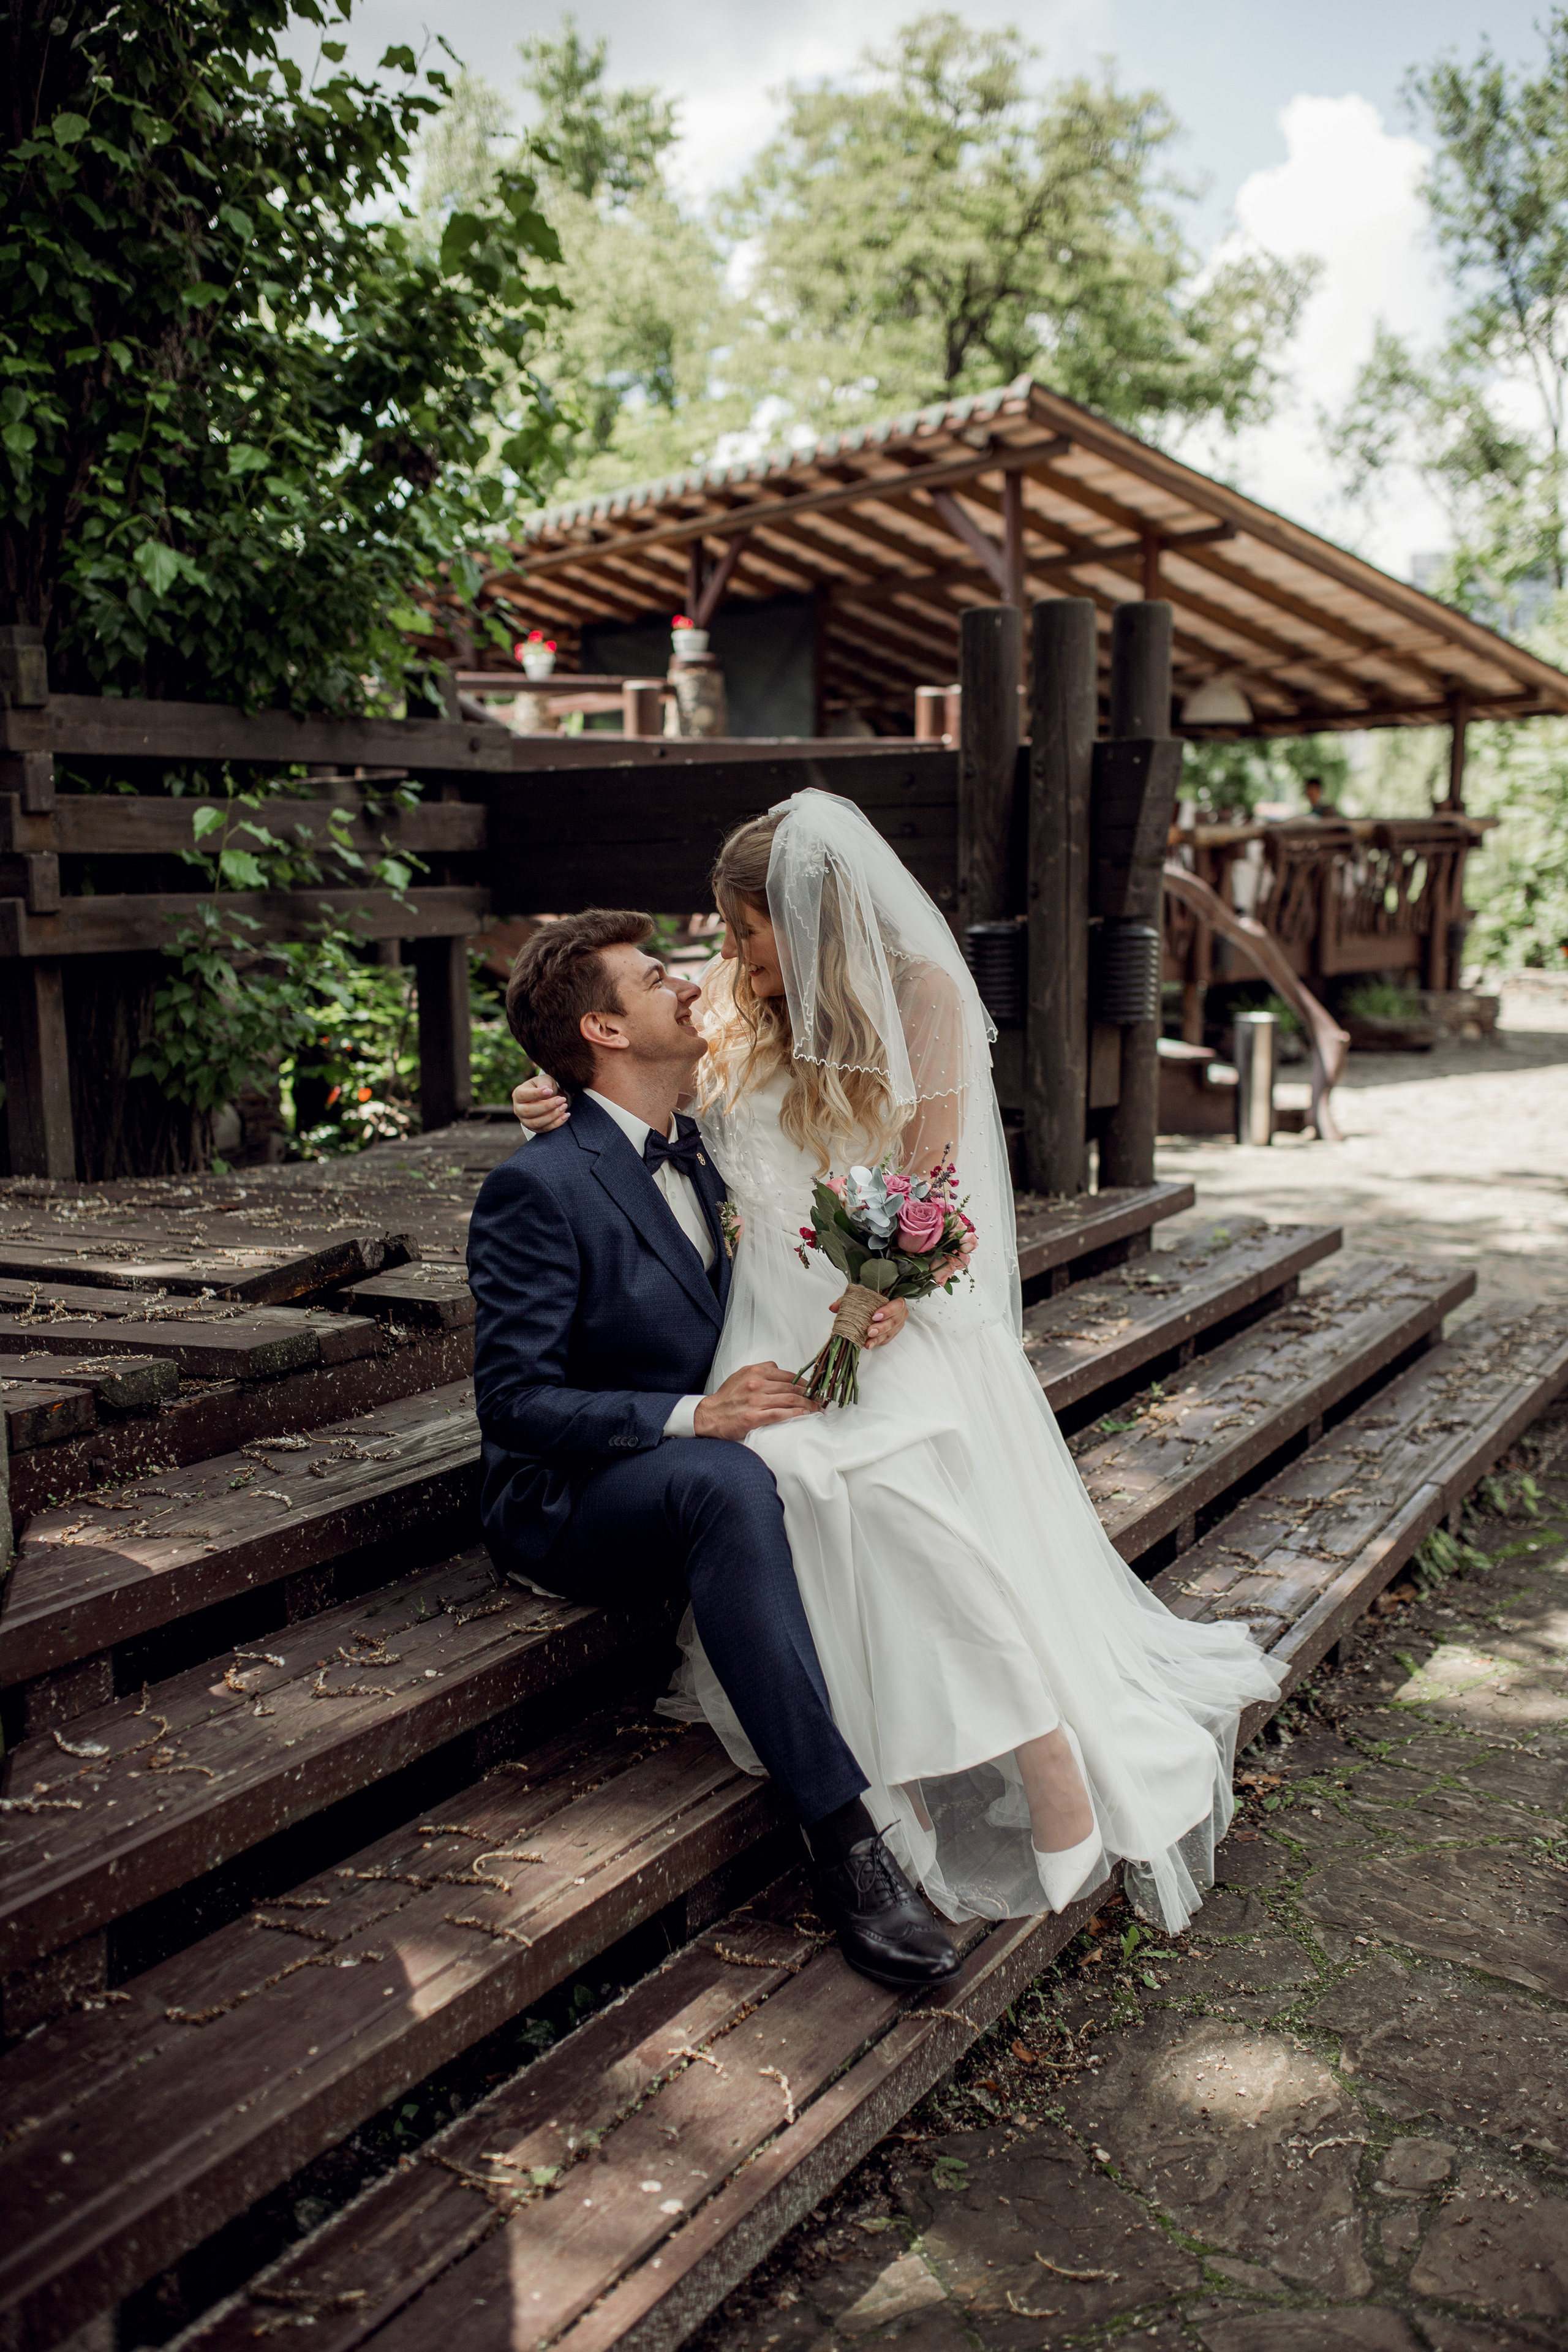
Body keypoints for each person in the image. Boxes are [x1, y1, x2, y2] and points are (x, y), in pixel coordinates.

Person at [510, 794, 1284, 1931]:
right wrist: (553, 1096)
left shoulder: (923, 997)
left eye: (747, 931)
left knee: (886, 1487)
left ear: (807, 920)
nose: (729, 955)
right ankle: (900, 1770)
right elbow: (633, 1078)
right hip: (767, 1320)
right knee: (805, 1486)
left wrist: (888, 1292)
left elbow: (934, 1194)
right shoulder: (736, 997)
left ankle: (1044, 1749)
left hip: (882, 1313)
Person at [467, 908, 962, 1992]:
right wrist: (696, 1415)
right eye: (656, 980)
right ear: (604, 1029)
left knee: (863, 1459)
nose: (690, 985)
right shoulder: (536, 1187)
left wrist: (876, 1301)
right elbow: (512, 1404)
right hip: (569, 1497)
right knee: (731, 1477)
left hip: (687, 1464)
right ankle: (848, 1843)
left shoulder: (709, 1149)